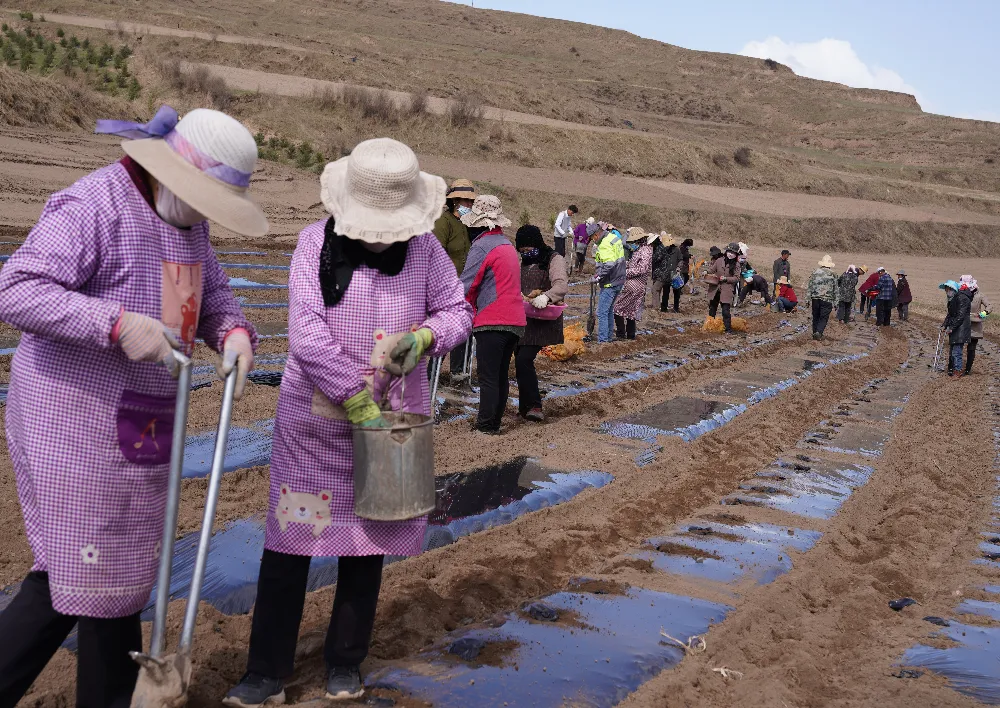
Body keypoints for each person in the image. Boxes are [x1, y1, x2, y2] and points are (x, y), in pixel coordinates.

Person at [0, 106, 264, 708]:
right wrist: (114, 324)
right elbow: (16, 287)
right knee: (77, 569)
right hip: (73, 418)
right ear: (170, 172)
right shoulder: (95, 205)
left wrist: (234, 333)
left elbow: (216, 293)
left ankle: (111, 695)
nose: (205, 215)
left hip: (143, 421)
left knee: (117, 575)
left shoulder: (187, 222)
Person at [224, 138, 472, 706]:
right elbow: (307, 334)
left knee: (368, 544)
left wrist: (427, 335)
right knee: (290, 544)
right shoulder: (314, 244)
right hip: (316, 422)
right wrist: (354, 396)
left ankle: (345, 662)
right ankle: (265, 671)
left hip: (395, 421)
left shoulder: (428, 251)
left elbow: (458, 310)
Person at [460, 195, 525, 434]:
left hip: (493, 319)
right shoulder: (506, 244)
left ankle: (485, 426)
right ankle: (494, 423)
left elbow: (468, 284)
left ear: (477, 224)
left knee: (487, 377)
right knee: (499, 376)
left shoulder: (482, 246)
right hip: (515, 321)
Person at [514, 224, 567, 422]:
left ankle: (535, 405)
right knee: (519, 358)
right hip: (524, 317)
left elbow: (561, 284)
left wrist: (546, 297)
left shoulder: (554, 259)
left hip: (544, 318)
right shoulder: (522, 262)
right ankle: (524, 406)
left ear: (537, 244)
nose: (526, 254)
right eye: (522, 252)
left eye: (529, 250)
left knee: (524, 359)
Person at [433, 178, 477, 377]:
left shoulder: (468, 225)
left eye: (470, 201)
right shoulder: (444, 223)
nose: (469, 205)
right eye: (465, 201)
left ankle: (458, 373)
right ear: (455, 201)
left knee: (464, 331)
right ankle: (430, 376)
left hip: (466, 288)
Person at [614, 228, 654, 339]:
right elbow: (632, 264)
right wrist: (622, 265)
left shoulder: (645, 251)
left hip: (636, 285)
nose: (632, 244)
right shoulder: (639, 250)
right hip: (633, 285)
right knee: (631, 311)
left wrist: (624, 272)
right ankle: (630, 335)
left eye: (633, 241)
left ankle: (621, 334)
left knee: (617, 308)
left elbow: (642, 269)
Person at [592, 223, 626, 342]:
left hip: (610, 282)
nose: (593, 240)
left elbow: (609, 264)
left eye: (592, 237)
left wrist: (598, 276)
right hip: (619, 279)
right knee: (609, 311)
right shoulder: (613, 237)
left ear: (596, 234)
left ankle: (603, 340)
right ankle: (609, 337)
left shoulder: (604, 244)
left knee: (601, 312)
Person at [706, 242, 742, 334]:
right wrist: (706, 271)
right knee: (712, 308)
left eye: (733, 253)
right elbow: (712, 269)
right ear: (726, 251)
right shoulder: (719, 260)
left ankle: (728, 329)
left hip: (727, 289)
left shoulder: (737, 265)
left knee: (725, 310)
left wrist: (726, 279)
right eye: (729, 252)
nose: (731, 254)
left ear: (736, 255)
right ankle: (710, 325)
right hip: (715, 287)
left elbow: (737, 278)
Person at [940, 279, 972, 378]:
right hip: (956, 328)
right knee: (953, 351)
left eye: (947, 289)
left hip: (961, 328)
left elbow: (960, 316)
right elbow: (950, 314)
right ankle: (955, 369)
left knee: (957, 351)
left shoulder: (962, 298)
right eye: (945, 290)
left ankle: (958, 371)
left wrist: (952, 327)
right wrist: (944, 325)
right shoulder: (953, 299)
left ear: (952, 289)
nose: (946, 292)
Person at [961, 275, 991, 375]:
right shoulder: (960, 294)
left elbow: (989, 306)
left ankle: (967, 369)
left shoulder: (980, 295)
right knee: (958, 346)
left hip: (975, 325)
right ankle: (957, 367)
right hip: (962, 323)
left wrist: (983, 314)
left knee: (971, 348)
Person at [806, 255, 840, 340]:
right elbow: (836, 289)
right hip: (827, 299)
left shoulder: (815, 272)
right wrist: (836, 302)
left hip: (815, 298)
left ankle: (815, 333)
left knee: (816, 316)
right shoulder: (833, 274)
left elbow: (810, 286)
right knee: (823, 317)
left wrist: (807, 299)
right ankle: (819, 332)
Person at [651, 233, 680, 312]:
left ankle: (658, 308)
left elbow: (656, 259)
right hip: (664, 273)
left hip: (665, 273)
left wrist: (678, 268)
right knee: (659, 290)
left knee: (657, 290)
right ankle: (661, 308)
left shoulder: (664, 249)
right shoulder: (663, 249)